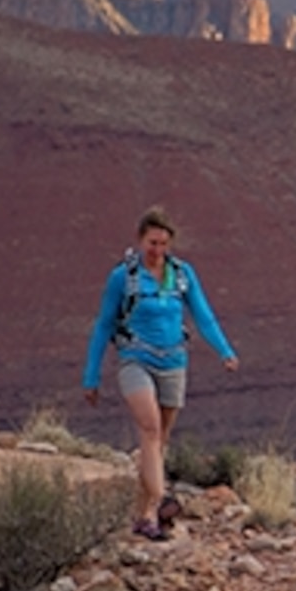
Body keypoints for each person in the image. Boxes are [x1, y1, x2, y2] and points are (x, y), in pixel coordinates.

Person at [82, 207, 239, 538]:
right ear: (141, 240)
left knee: (159, 441)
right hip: (135, 359)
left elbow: (203, 315)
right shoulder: (123, 277)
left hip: (174, 363)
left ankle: (145, 516)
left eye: (163, 243)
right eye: (152, 242)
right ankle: (160, 498)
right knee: (150, 429)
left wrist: (224, 350)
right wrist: (91, 375)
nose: (157, 250)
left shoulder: (182, 275)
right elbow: (103, 324)